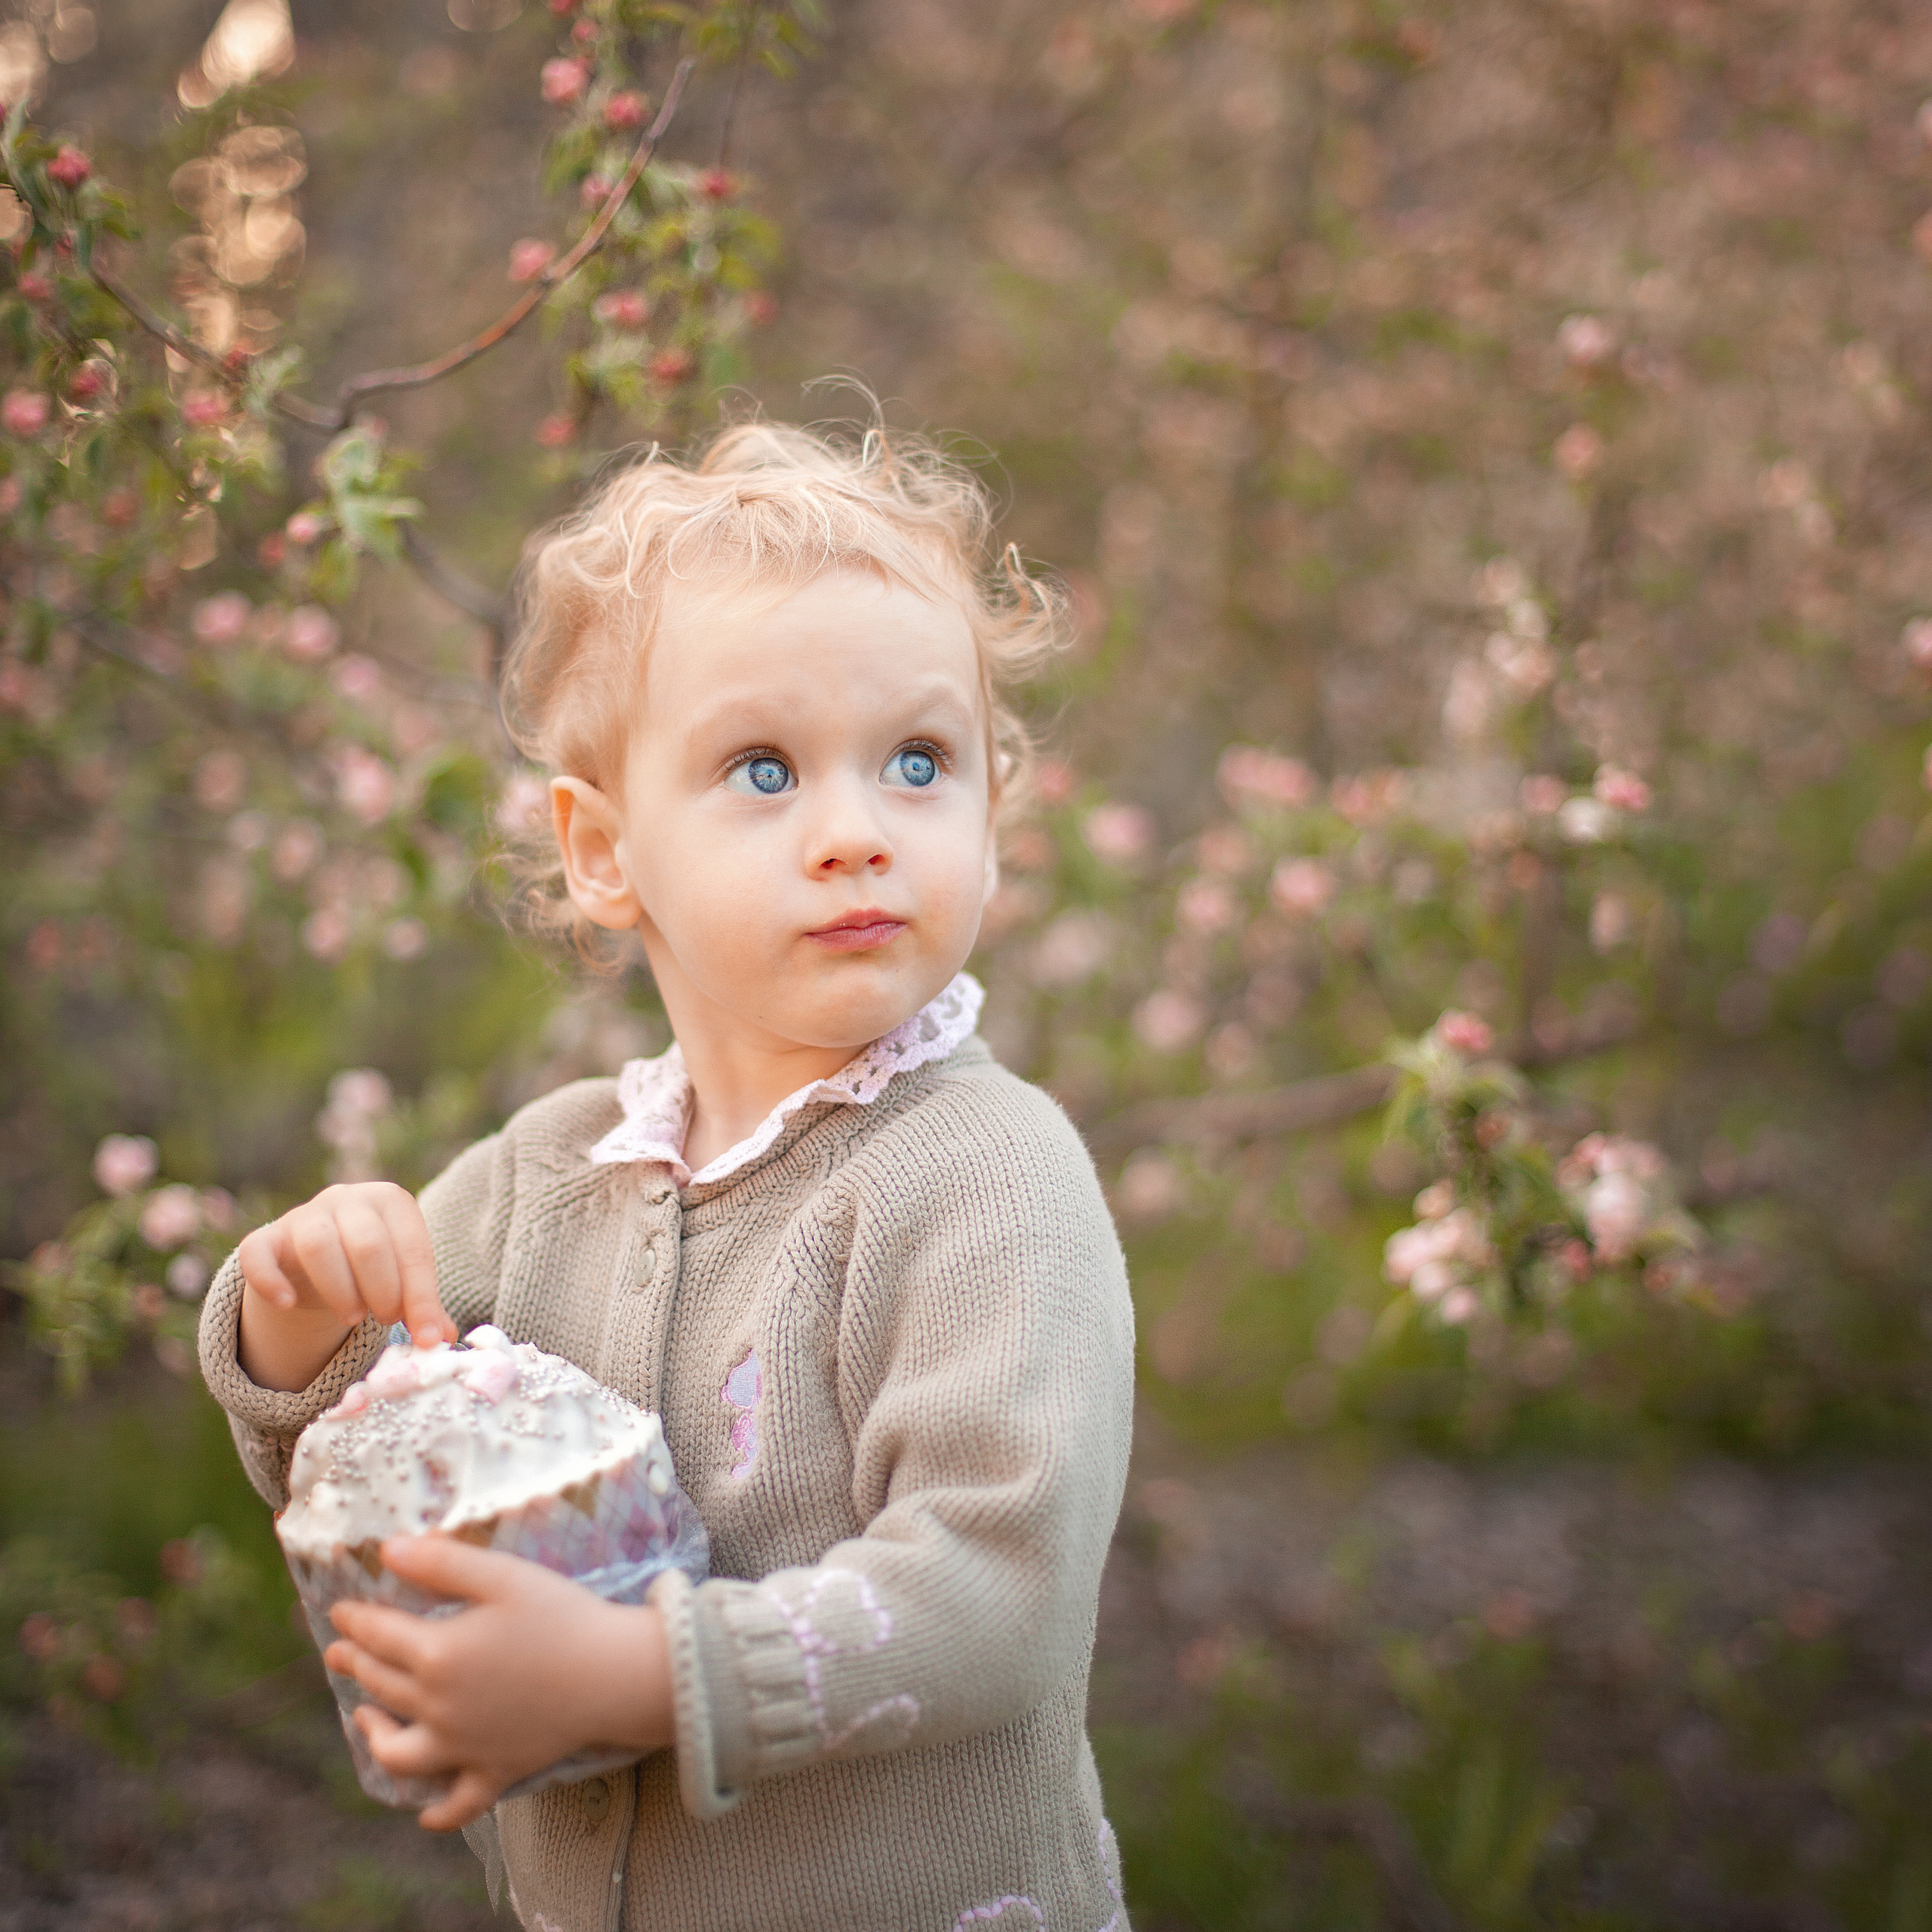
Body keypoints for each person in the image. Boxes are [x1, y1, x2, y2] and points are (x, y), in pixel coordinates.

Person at [197, 420, 1137, 1931]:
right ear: (602, 850)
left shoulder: (989, 1175)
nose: (854, 832)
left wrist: (648, 1674)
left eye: (919, 760)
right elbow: (368, 1447)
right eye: (763, 768)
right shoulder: (547, 1171)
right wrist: (298, 1316)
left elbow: (999, 1589)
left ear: (990, 800)